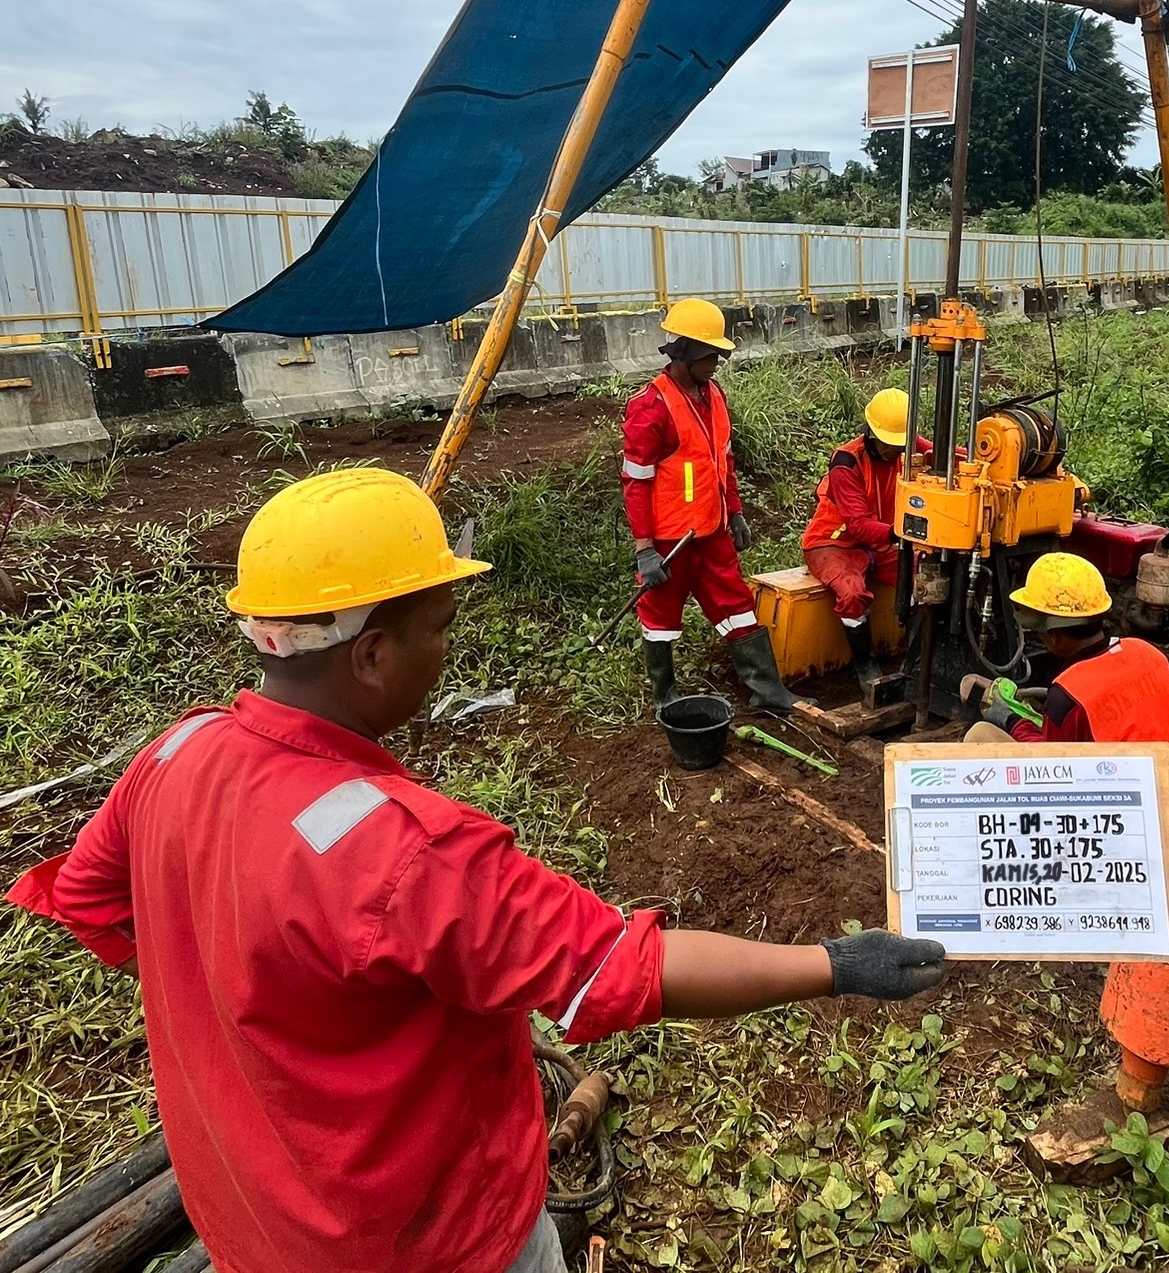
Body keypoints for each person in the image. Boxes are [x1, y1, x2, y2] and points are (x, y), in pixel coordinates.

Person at [7, 468, 947, 1273]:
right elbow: (623, 971)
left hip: (249, 1220)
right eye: (441, 626)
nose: (449, 648)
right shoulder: (409, 855)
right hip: (425, 1241)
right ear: (373, 654)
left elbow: (91, 900)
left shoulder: (176, 753)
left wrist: (252, 990)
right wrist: (836, 962)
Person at [620, 297, 800, 716]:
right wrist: (645, 549)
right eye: (708, 354)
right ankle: (665, 696)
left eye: (718, 354)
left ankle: (766, 690)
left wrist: (734, 511)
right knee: (660, 615)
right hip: (671, 540)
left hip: (713, 531)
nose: (716, 362)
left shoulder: (714, 394)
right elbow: (636, 483)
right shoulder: (651, 407)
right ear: (681, 352)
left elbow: (724, 460)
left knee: (737, 606)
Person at [960, 550, 1169, 802]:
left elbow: (1052, 769)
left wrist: (1011, 719)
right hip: (1167, 803)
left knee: (980, 735)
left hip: (1111, 815)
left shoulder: (1067, 697)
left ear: (1054, 635)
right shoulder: (1149, 654)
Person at [801, 387, 923, 696]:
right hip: (834, 542)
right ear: (871, 433)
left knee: (925, 579)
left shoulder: (906, 445)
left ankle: (918, 660)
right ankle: (865, 664)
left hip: (881, 542)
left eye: (902, 444)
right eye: (891, 443)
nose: (897, 451)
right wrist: (898, 533)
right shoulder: (847, 462)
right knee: (852, 593)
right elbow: (856, 524)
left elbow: (946, 454)